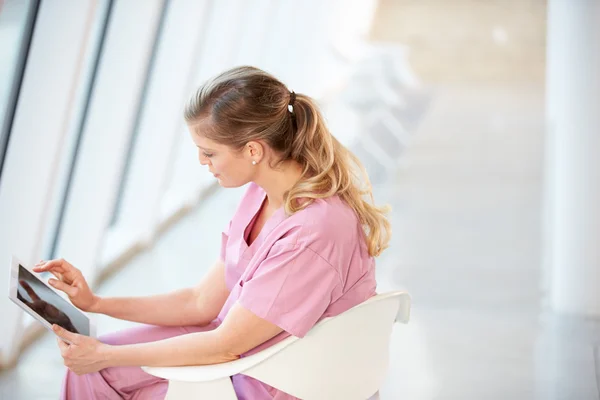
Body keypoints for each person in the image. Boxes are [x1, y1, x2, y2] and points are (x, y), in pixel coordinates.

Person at [33, 66, 391, 400]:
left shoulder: (314, 231)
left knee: (101, 368)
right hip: (244, 353)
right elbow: (200, 302)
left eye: (209, 152)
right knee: (93, 369)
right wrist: (96, 304)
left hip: (278, 376)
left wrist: (105, 355)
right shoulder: (261, 194)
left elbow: (226, 345)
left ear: (253, 150)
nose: (202, 163)